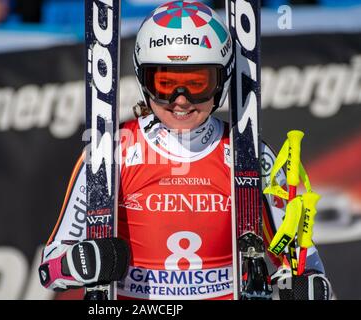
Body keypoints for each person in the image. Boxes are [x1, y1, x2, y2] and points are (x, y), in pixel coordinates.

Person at [38, 1, 332, 300]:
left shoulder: (248, 154)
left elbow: (305, 265)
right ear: (144, 80)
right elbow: (50, 270)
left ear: (222, 81)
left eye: (197, 83)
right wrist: (78, 263)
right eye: (166, 83)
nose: (181, 100)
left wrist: (301, 288)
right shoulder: (113, 152)